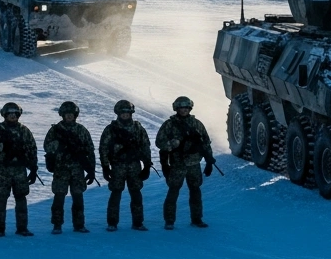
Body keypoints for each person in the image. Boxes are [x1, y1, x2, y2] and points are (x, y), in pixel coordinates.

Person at [155, 97, 217, 229]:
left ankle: (197, 219)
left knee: (195, 191)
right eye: (181, 108)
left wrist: (209, 161)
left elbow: (205, 143)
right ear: (176, 109)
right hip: (177, 164)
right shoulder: (169, 124)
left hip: (194, 164)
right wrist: (174, 144)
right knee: (173, 192)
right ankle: (169, 221)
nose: (184, 110)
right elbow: (159, 142)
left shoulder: (197, 124)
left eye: (186, 108)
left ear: (190, 108)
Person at [0, 102, 38, 237]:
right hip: (4, 170)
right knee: (1, 199)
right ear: (5, 115)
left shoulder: (24, 130)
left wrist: (33, 168)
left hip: (20, 170)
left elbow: (32, 149)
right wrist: (2, 146)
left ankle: (22, 228)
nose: (12, 116)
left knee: (21, 199)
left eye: (15, 114)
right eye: (10, 114)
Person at [44, 101, 96, 234]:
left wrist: (91, 170)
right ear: (62, 115)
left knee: (78, 197)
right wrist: (59, 146)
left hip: (77, 170)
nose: (69, 117)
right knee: (59, 198)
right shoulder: (55, 130)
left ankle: (79, 225)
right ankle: (57, 225)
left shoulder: (81, 130)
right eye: (66, 114)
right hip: (61, 169)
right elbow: (47, 147)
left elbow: (90, 150)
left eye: (71, 114)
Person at [99, 100, 152, 231]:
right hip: (117, 166)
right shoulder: (111, 129)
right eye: (122, 112)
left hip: (134, 166)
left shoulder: (138, 128)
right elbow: (103, 148)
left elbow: (145, 146)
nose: (125, 115)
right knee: (115, 194)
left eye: (127, 112)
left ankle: (138, 222)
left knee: (136, 194)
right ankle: (112, 223)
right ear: (118, 113)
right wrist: (106, 167)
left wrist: (146, 165)